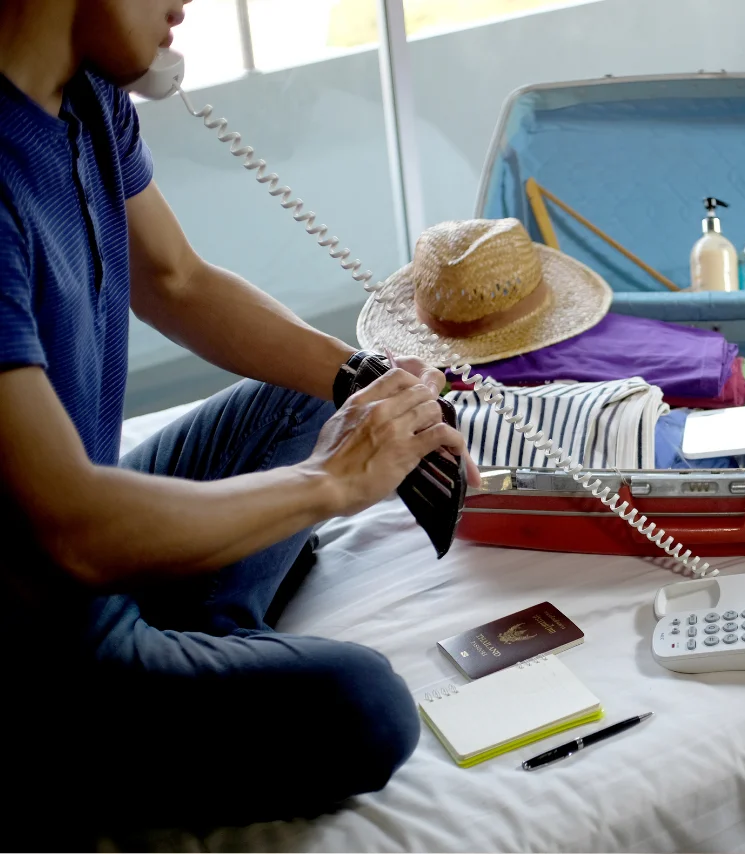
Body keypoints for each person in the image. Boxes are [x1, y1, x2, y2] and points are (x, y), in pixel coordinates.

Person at [0, 0, 481, 835]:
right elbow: (71, 530)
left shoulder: (85, 90)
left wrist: (371, 384)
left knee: (317, 384)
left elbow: (177, 280)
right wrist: (330, 482)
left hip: (95, 537)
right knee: (367, 707)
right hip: (40, 619)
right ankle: (192, 647)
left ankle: (204, 632)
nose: (185, 4)